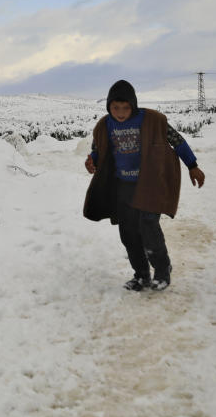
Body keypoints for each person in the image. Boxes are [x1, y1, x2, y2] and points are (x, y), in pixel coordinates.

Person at [83, 80, 205, 291]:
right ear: (108, 106)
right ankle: (141, 275)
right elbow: (98, 148)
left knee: (148, 226)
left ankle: (162, 270)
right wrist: (92, 159)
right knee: (128, 232)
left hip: (151, 183)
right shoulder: (105, 125)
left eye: (125, 108)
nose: (120, 113)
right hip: (123, 186)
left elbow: (177, 140)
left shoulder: (152, 120)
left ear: (133, 105)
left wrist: (192, 165)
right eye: (115, 108)